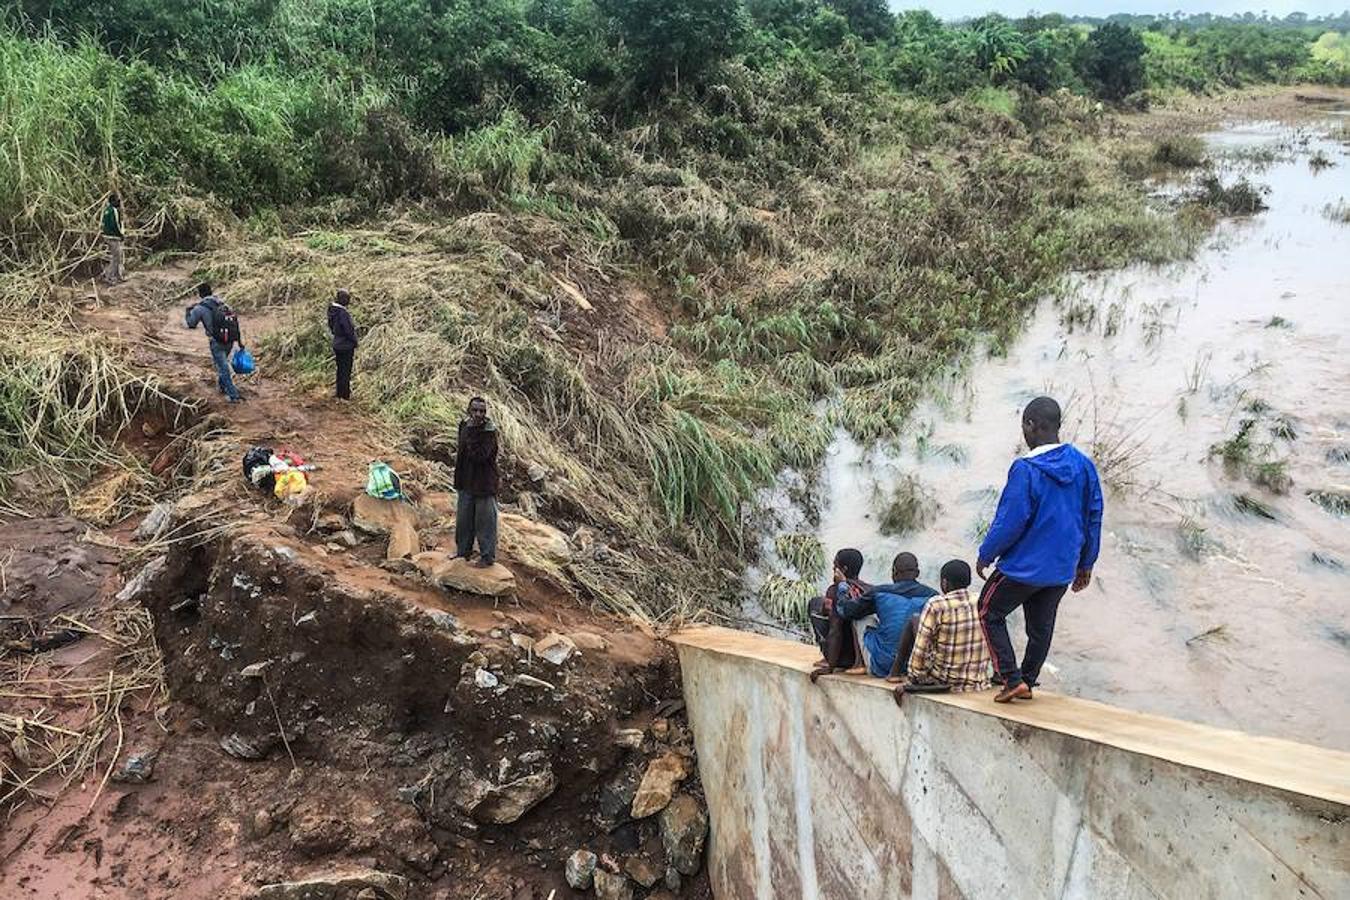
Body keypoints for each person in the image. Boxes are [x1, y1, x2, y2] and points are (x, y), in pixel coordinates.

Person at [976, 396, 1103, 703]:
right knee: (1041, 624)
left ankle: (1011, 678)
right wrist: (1086, 563)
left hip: (1023, 566)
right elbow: (1093, 516)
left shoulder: (1026, 469)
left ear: (1031, 425)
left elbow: (1011, 519)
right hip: (1061, 568)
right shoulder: (1084, 465)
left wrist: (986, 554)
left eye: (1024, 425)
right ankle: (1028, 681)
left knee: (988, 610)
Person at [892, 560, 989, 704]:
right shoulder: (982, 601)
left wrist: (914, 679)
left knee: (915, 619)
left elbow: (921, 648)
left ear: (944, 583)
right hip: (979, 682)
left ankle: (893, 673)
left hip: (944, 683)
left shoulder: (937, 604)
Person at [837, 552, 937, 679]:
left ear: (894, 573)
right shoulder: (933, 596)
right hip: (916, 666)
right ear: (917, 573)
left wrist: (842, 585)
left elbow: (846, 611)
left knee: (863, 618)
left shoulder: (880, 592)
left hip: (882, 666)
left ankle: (859, 664)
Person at [808, 549, 871, 681]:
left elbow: (835, 630)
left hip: (842, 659)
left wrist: (831, 666)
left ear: (843, 569)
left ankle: (828, 658)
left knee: (815, 603)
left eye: (835, 564)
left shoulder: (835, 590)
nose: (832, 567)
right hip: (866, 656)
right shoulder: (869, 589)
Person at [454, 397, 499, 568]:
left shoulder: (489, 432)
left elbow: (480, 456)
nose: (478, 414)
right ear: (469, 410)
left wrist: (472, 433)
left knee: (485, 523)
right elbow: (461, 453)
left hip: (484, 484)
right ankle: (462, 553)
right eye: (475, 410)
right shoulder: (464, 426)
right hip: (466, 481)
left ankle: (487, 557)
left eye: (482, 411)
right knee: (463, 521)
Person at [185, 282, 242, 403]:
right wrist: (239, 341)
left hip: (216, 341)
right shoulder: (222, 303)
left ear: (200, 294)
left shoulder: (200, 308)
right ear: (211, 291)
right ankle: (222, 387)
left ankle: (233, 395)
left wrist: (188, 311)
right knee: (222, 365)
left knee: (223, 368)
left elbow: (191, 324)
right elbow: (234, 321)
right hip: (229, 340)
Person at [328, 289, 358, 400]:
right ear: (342, 299)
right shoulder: (343, 313)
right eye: (347, 299)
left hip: (337, 343)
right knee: (346, 370)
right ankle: (345, 396)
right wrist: (355, 341)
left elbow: (331, 327)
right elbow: (348, 330)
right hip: (346, 346)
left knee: (340, 369)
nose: (349, 301)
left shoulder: (332, 310)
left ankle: (339, 393)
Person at [101, 192, 125, 284]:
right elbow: (115, 224)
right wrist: (121, 235)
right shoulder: (114, 210)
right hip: (113, 237)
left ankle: (118, 276)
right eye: (118, 201)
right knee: (116, 258)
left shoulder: (107, 210)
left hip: (107, 236)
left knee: (116, 257)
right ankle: (110, 277)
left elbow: (104, 223)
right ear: (113, 201)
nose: (119, 202)